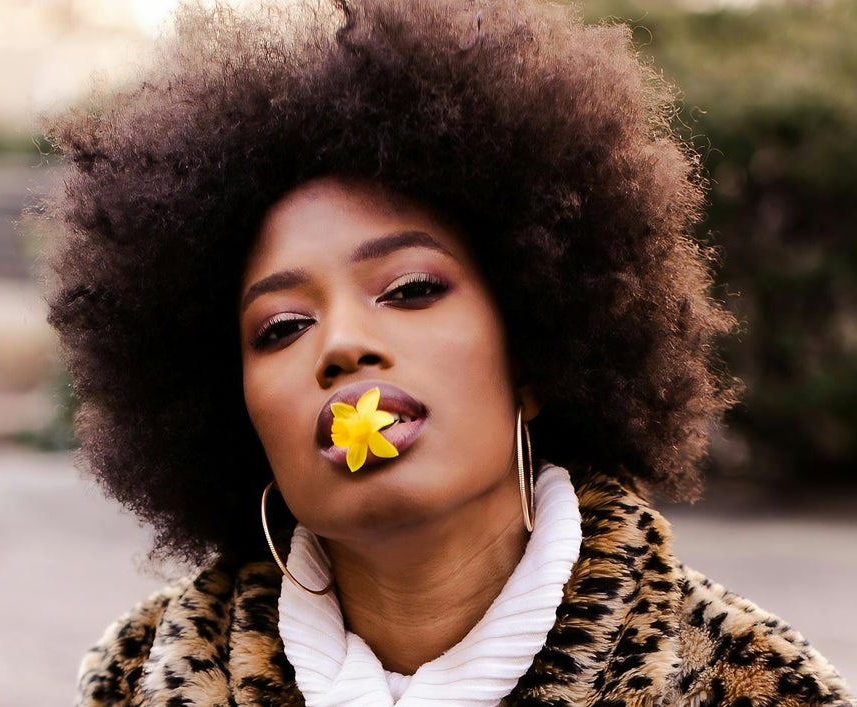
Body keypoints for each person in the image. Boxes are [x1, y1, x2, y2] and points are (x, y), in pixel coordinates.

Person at [42, 1, 854, 705]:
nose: (345, 344)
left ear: (532, 356)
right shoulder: (130, 679)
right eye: (282, 327)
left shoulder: (749, 685)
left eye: (410, 289)